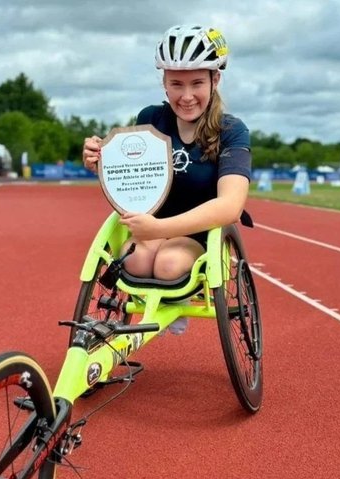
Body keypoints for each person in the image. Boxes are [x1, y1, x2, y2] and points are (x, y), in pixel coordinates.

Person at [82, 24, 251, 333]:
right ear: (164, 83)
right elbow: (132, 178)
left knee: (169, 265)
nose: (186, 96)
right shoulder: (150, 119)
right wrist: (100, 162)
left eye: (197, 83)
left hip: (196, 233)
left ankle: (176, 300)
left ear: (215, 80)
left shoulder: (232, 131)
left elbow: (230, 207)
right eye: (176, 84)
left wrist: (160, 228)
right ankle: (157, 302)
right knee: (132, 262)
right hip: (151, 229)